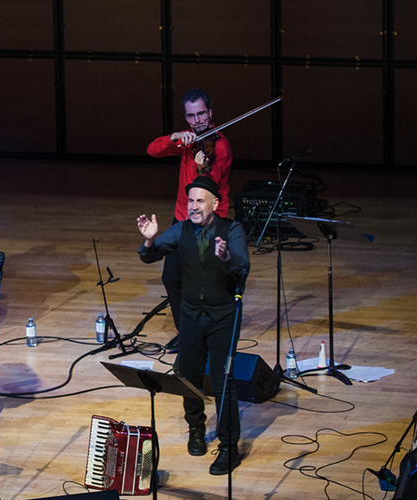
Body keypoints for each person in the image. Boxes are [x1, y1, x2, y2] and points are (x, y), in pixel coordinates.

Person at [136, 176, 250, 475]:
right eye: (190, 201)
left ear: (215, 203)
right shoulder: (182, 230)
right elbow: (150, 255)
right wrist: (149, 239)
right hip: (190, 315)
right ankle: (196, 430)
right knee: (188, 375)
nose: (194, 206)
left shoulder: (231, 229)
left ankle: (228, 447)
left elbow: (242, 266)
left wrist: (226, 257)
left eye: (200, 201)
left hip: (222, 316)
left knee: (222, 380)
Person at [146, 89, 232, 352]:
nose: (198, 121)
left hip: (210, 221)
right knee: (172, 277)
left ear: (210, 113)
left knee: (202, 282)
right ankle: (186, 332)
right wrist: (173, 138)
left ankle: (209, 333)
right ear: (186, 117)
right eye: (191, 116)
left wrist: (202, 166)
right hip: (182, 218)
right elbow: (152, 150)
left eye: (202, 114)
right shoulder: (186, 140)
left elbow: (209, 187)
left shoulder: (220, 145)